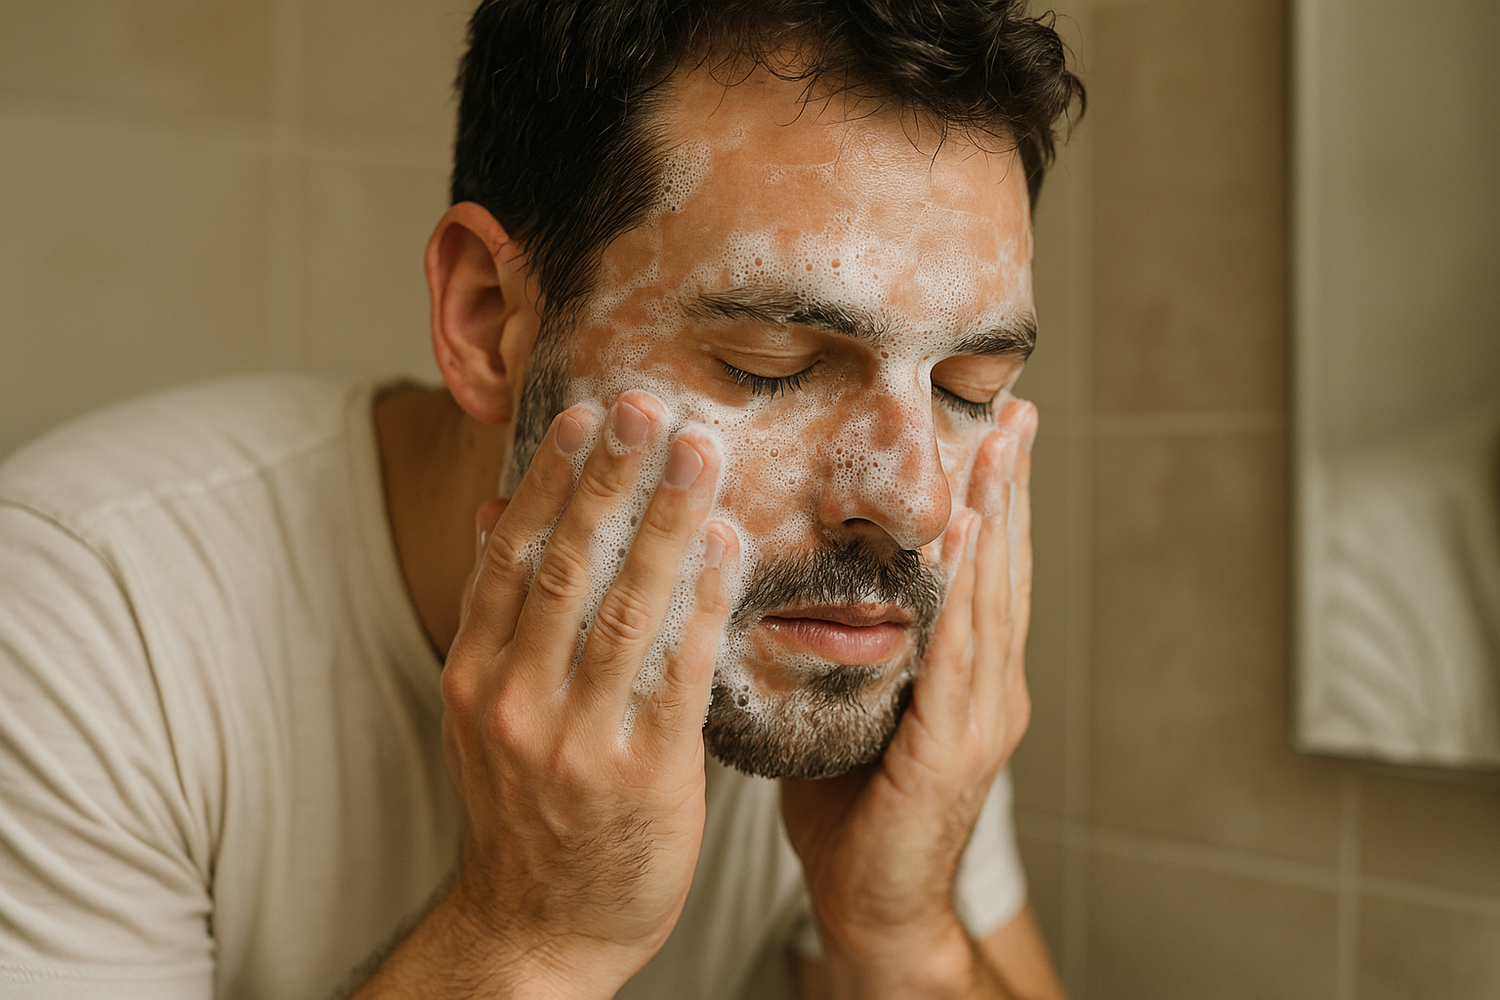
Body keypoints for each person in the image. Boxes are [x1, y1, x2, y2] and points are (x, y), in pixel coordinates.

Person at [0, 1, 1081, 997]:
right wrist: (527, 933)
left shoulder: (837, 633)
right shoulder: (82, 614)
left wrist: (903, 930)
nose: (915, 502)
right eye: (772, 362)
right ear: (486, 320)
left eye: (966, 389)